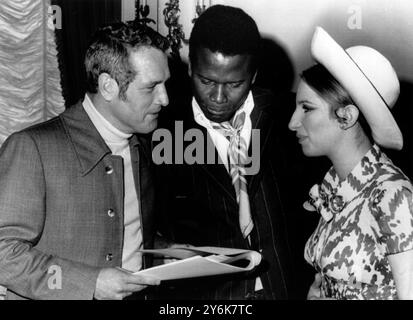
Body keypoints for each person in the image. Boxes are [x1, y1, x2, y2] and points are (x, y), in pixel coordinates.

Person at [0, 21, 170, 300]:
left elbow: (122, 233)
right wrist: (90, 283)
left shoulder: (143, 147)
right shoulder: (32, 148)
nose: (164, 99)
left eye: (165, 84)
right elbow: (3, 252)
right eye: (151, 87)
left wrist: (167, 255)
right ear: (108, 86)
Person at [154, 5, 296, 299]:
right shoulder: (162, 131)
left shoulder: (290, 119)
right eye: (206, 81)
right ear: (190, 66)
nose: (218, 97)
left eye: (234, 83)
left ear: (253, 74)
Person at [289, 27, 413, 300]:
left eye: (306, 109)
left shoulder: (392, 195)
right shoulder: (335, 185)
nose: (293, 123)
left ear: (346, 117)